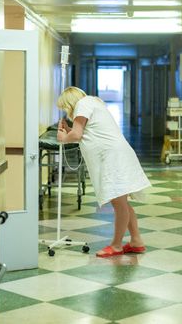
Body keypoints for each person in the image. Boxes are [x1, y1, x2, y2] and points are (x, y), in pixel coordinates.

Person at [56, 86, 151, 257]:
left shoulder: (82, 104)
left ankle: (116, 245)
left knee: (119, 203)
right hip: (117, 155)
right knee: (123, 202)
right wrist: (69, 132)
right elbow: (86, 134)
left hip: (113, 158)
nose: (66, 111)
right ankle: (136, 241)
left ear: (70, 102)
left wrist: (64, 138)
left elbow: (77, 136)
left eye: (64, 107)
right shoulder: (92, 103)